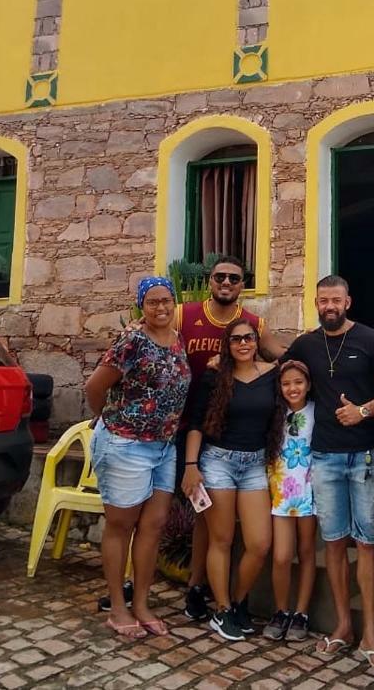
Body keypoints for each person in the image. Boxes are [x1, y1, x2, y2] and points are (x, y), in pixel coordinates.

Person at [282, 275, 374, 676]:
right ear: (315, 302)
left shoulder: (371, 339)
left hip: (363, 456)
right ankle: (344, 625)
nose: (330, 306)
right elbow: (276, 369)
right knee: (333, 544)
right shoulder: (306, 345)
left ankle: (372, 633)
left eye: (336, 300)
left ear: (349, 301)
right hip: (323, 457)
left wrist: (362, 410)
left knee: (365, 544)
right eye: (323, 300)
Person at [175, 254, 288, 621]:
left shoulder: (255, 324)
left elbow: (285, 358)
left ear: (243, 285)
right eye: (220, 276)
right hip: (186, 429)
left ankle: (213, 592)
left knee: (215, 526)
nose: (226, 283)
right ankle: (196, 587)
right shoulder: (183, 315)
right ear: (210, 280)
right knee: (202, 524)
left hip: (238, 439)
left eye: (234, 278)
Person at [85, 277, 191, 638]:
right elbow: (94, 387)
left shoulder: (178, 340)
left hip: (164, 447)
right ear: (141, 306)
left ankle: (142, 603)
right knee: (122, 526)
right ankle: (118, 607)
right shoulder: (132, 340)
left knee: (154, 526)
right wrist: (108, 421)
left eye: (167, 301)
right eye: (153, 302)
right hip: (125, 445)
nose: (161, 308)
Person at [262, 359, 317, 642]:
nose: (292, 388)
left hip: (308, 491)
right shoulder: (275, 414)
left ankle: (301, 613)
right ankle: (281, 609)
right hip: (281, 492)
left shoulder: (316, 412)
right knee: (282, 556)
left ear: (308, 385)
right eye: (286, 383)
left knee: (307, 552)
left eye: (298, 382)